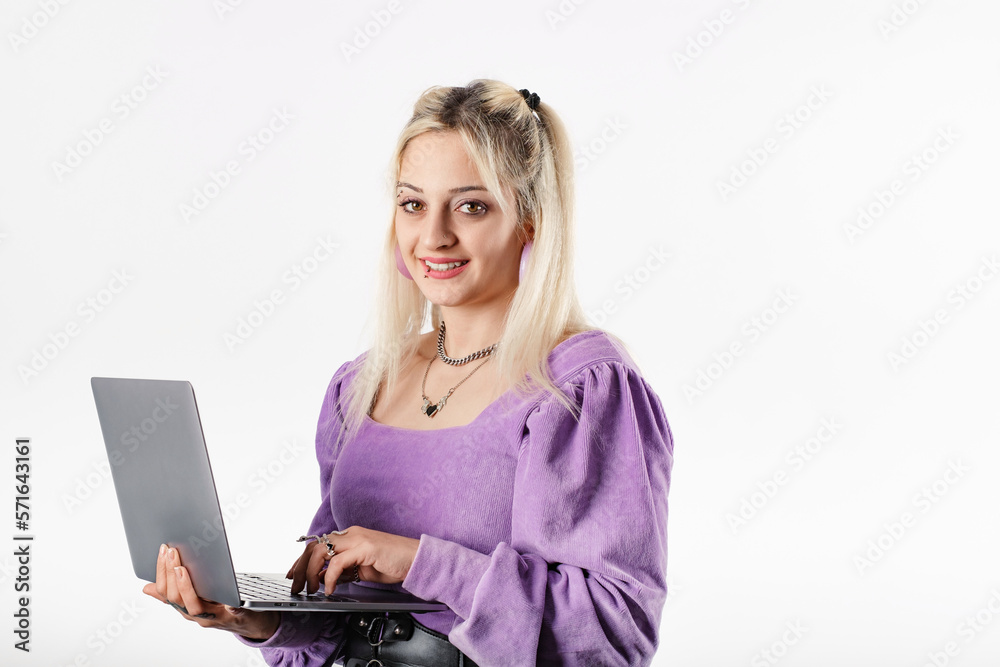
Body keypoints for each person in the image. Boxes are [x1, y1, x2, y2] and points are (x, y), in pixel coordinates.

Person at [142, 79, 674, 666]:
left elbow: (609, 636)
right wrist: (256, 618)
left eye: (472, 205)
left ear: (530, 222)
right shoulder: (362, 384)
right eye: (413, 203)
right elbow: (334, 609)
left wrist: (420, 562)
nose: (433, 235)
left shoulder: (579, 387)